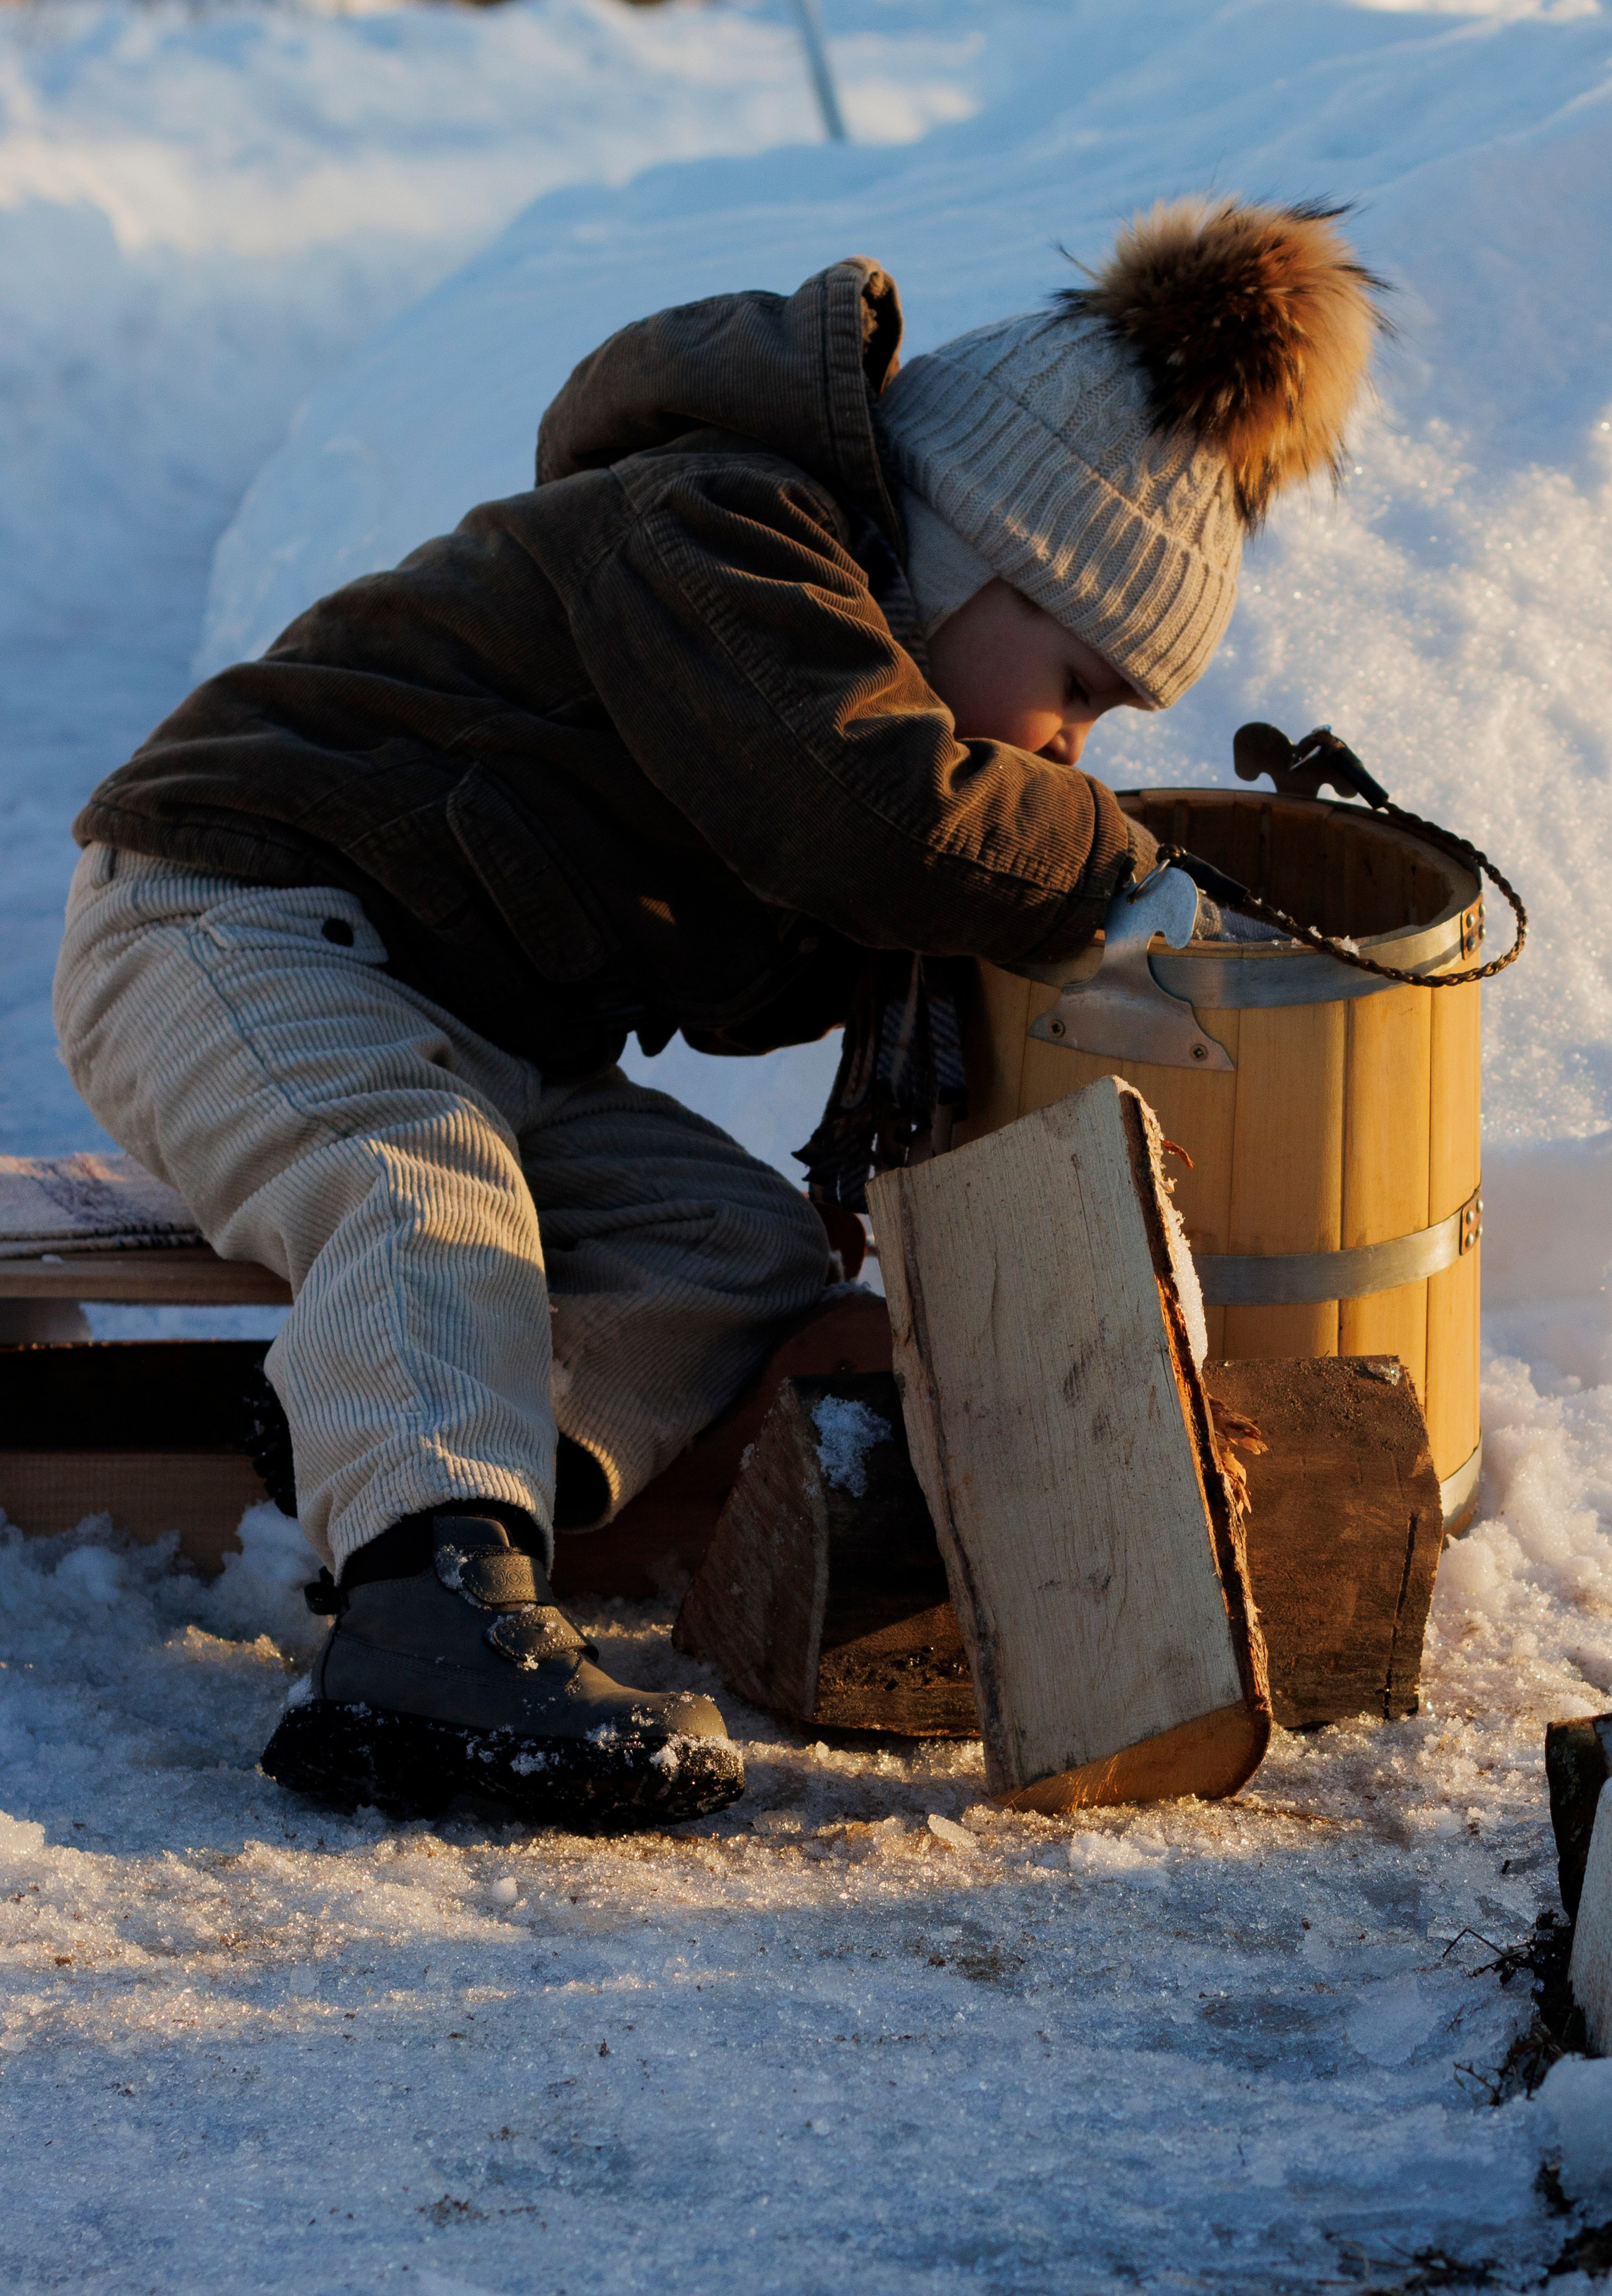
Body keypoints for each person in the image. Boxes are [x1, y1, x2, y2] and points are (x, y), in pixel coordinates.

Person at [53, 195, 1379, 1831]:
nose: (1068, 756)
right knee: (416, 1175)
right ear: (974, 554)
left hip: (473, 1019)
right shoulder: (718, 535)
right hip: (229, 912)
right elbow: (857, 801)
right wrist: (1102, 870)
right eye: (1081, 687)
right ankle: (423, 1622)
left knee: (737, 1245)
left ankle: (428, 1452)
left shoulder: (838, 651)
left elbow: (785, 930)